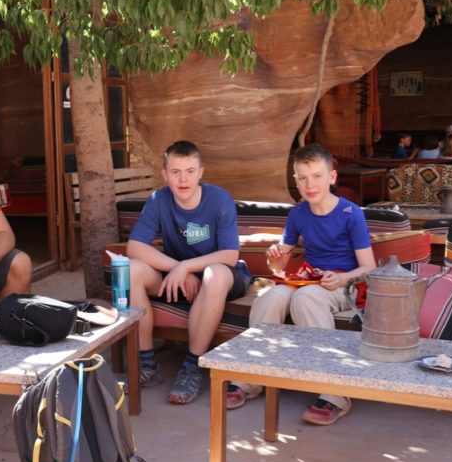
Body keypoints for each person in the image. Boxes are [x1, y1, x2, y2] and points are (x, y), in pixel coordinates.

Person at [230, 144, 375, 424]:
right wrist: (275, 258)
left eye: (317, 176)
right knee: (270, 297)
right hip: (309, 279)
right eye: (303, 178)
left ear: (332, 178)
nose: (311, 185)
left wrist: (343, 277)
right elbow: (280, 263)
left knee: (306, 298)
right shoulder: (298, 214)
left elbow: (368, 267)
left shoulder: (350, 213)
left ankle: (335, 393)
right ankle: (251, 377)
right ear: (295, 181)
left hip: (343, 284)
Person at [128, 140, 251, 405]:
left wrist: (187, 267)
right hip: (178, 277)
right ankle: (147, 363)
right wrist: (177, 269)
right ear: (164, 174)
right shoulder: (159, 200)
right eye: (175, 172)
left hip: (223, 276)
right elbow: (135, 247)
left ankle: (192, 367)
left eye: (190, 171)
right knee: (131, 270)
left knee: (214, 275)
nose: (183, 179)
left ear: (201, 173)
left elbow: (230, 256)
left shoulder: (219, 199)